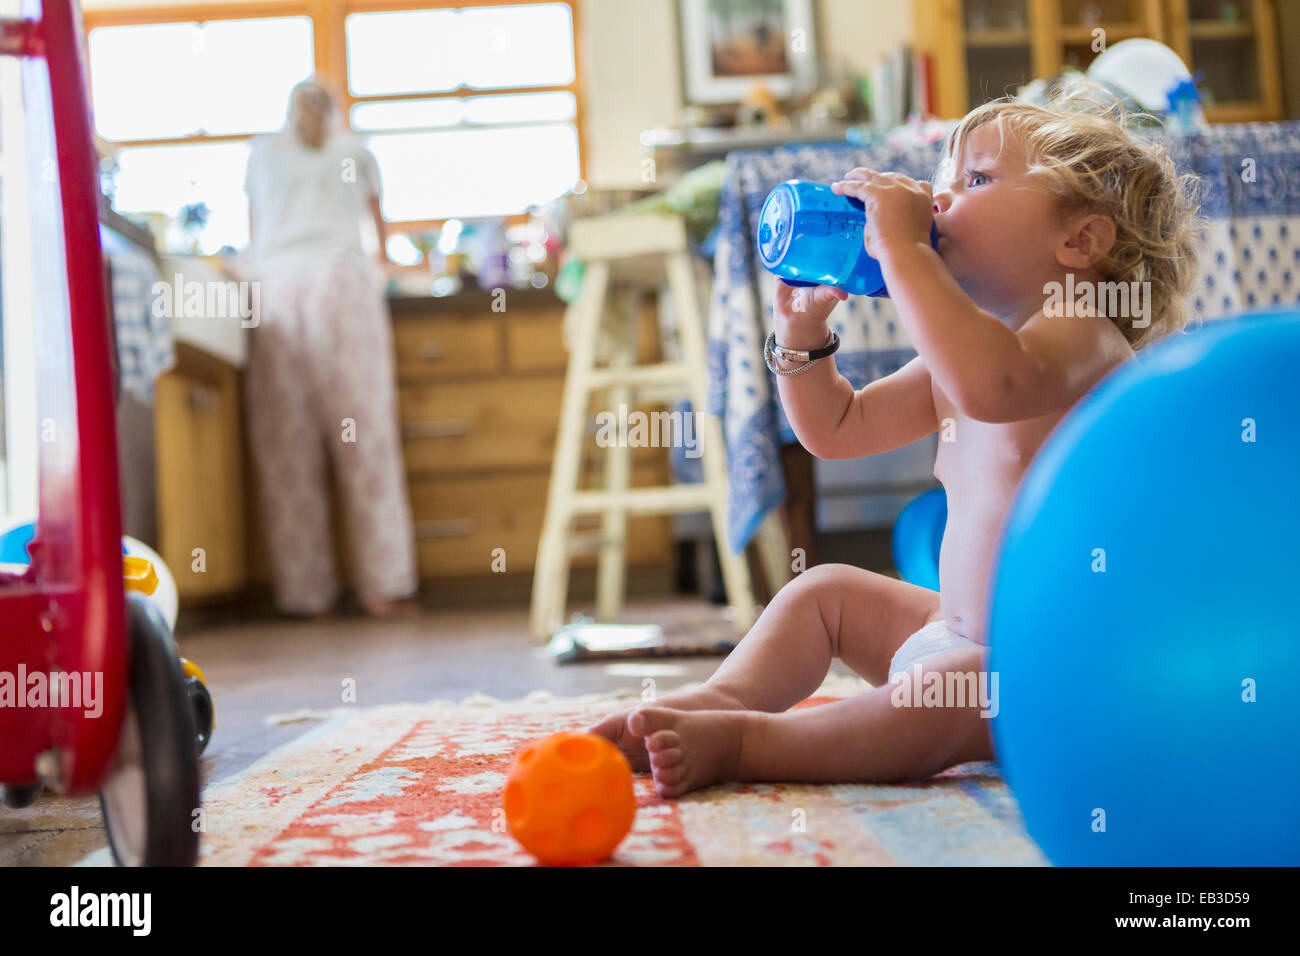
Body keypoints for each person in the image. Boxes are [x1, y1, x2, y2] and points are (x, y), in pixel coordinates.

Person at [592, 79, 1204, 796]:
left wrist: (905, 245)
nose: (938, 200)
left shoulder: (1082, 337)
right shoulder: (971, 352)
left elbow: (993, 386)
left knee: (947, 690)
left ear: (1079, 239)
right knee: (823, 592)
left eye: (975, 179)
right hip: (955, 633)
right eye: (942, 181)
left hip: (1059, 669)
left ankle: (749, 744)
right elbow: (837, 429)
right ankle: (722, 701)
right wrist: (802, 339)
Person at [242, 78, 418, 618]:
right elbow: (379, 242)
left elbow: (255, 237)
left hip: (275, 293)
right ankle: (382, 587)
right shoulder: (357, 150)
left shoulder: (261, 155)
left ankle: (306, 594)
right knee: (367, 440)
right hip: (342, 287)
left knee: (287, 451)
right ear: (335, 111)